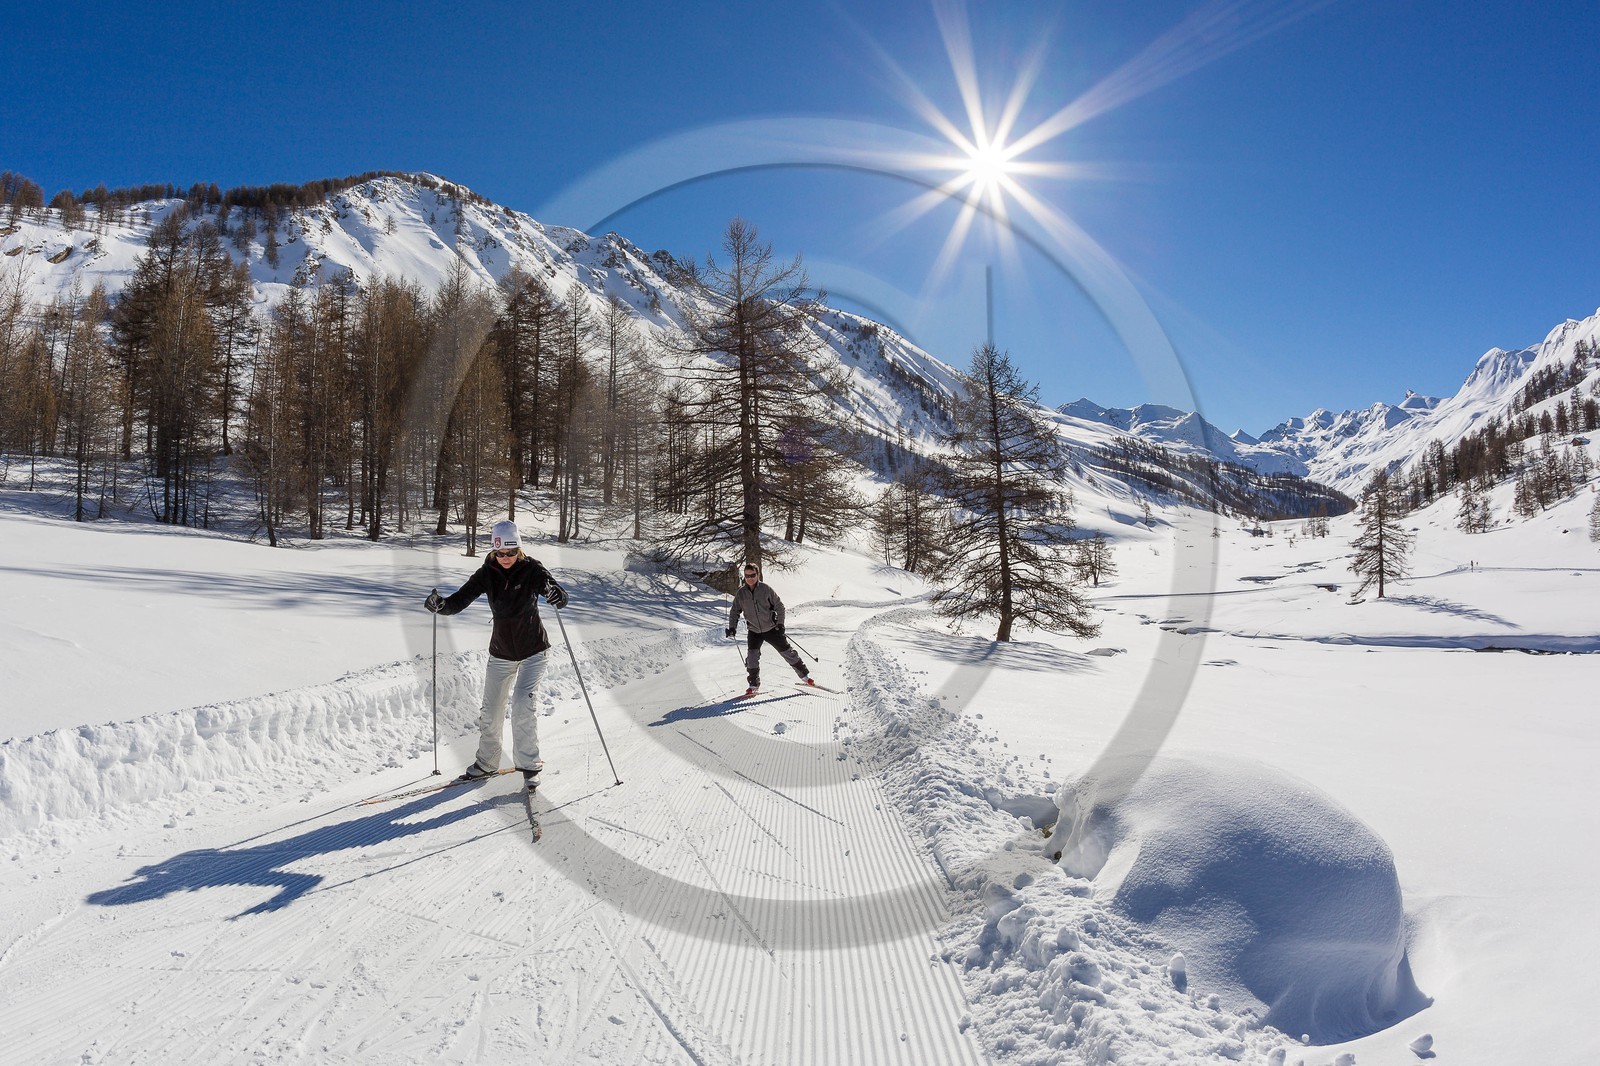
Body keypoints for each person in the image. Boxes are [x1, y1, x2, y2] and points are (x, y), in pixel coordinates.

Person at [426, 519, 568, 789]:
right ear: (493, 552)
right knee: (490, 712)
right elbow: (459, 601)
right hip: (501, 653)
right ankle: (487, 763)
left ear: (519, 550)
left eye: (511, 552)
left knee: (522, 705)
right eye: (500, 553)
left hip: (533, 651)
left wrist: (556, 595)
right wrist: (440, 605)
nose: (505, 558)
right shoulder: (487, 572)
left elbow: (560, 594)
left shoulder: (532, 570)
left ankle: (529, 764)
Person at [725, 562, 811, 695]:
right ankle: (753, 684)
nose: (750, 578)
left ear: (758, 574)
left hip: (771, 628)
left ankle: (804, 676)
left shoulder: (766, 589)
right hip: (754, 630)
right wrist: (732, 627)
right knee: (752, 657)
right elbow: (734, 611)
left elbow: (780, 606)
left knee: (787, 652)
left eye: (753, 575)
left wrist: (780, 624)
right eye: (747, 576)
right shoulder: (741, 593)